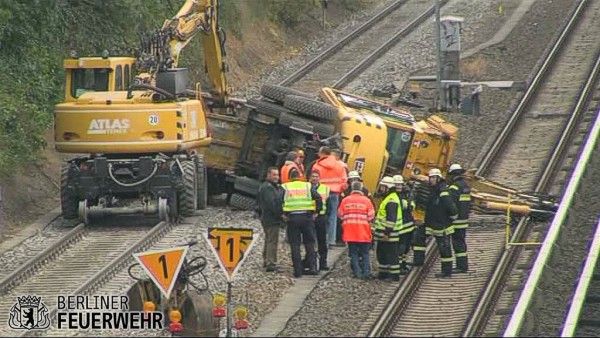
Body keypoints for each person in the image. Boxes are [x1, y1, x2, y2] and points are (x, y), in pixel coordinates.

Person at [281, 170, 322, 278]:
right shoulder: (307, 186)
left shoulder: (285, 187)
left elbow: (277, 201)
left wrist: (282, 214)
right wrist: (316, 212)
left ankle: (298, 270)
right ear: (300, 177)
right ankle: (312, 267)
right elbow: (318, 198)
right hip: (307, 217)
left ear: (290, 177)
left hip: (292, 218)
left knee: (295, 244)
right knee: (309, 243)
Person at [418, 168, 458, 278]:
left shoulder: (442, 191)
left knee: (444, 249)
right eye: (430, 177)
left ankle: (447, 271)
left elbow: (450, 207)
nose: (431, 180)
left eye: (433, 178)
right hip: (431, 223)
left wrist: (451, 218)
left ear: (438, 178)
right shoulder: (433, 189)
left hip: (441, 225)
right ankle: (418, 261)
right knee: (418, 238)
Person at [311, 146, 347, 248]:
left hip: (321, 193)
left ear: (322, 153)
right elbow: (344, 181)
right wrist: (339, 189)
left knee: (317, 215)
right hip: (335, 193)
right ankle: (331, 241)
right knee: (332, 217)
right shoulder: (340, 165)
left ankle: (315, 239)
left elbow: (313, 180)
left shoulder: (317, 165)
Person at [338, 181, 375, 279]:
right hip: (363, 231)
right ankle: (366, 272)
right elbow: (371, 216)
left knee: (353, 252)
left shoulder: (345, 200)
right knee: (365, 252)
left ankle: (357, 272)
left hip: (350, 231)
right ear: (361, 189)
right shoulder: (366, 200)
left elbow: (340, 214)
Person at [373, 176, 403, 281]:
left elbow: (391, 219)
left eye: (382, 187)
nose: (381, 189)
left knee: (391, 254)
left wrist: (387, 233)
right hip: (385, 233)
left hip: (390, 234)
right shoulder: (388, 198)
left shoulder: (391, 200)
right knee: (382, 253)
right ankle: (383, 273)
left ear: (388, 187)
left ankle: (394, 275)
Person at [257, 167, 284, 272]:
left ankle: (266, 260)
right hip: (270, 218)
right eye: (274, 175)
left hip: (267, 217)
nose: (277, 177)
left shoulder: (269, 187)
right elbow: (271, 204)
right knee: (272, 240)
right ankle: (271, 263)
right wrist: (281, 214)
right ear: (268, 175)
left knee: (269, 239)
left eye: (277, 175)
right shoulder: (268, 188)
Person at [447, 163, 472, 273]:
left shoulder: (454, 187)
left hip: (456, 220)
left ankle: (461, 266)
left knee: (457, 243)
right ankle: (463, 265)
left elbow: (451, 204)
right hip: (464, 219)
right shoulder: (466, 186)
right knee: (461, 241)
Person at [393, 175, 415, 275]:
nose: (398, 186)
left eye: (400, 184)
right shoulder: (393, 196)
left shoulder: (406, 194)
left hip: (408, 224)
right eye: (396, 184)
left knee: (406, 247)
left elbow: (412, 205)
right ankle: (399, 265)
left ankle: (403, 263)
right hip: (400, 226)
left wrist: (410, 204)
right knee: (400, 247)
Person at [309, 170, 331, 271]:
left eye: (316, 176)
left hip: (321, 218)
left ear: (319, 178)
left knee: (322, 241)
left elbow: (329, 205)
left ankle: (323, 262)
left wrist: (326, 217)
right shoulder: (306, 188)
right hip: (309, 217)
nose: (314, 178)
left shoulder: (325, 189)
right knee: (310, 241)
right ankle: (312, 264)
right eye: (313, 176)